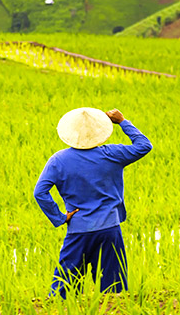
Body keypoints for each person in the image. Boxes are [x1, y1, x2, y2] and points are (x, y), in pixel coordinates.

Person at [33, 106, 152, 297]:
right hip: (109, 228)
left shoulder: (58, 160)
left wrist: (60, 217)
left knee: (64, 289)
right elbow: (144, 145)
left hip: (78, 229)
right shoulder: (112, 154)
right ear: (100, 132)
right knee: (114, 290)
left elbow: (40, 192)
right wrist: (123, 121)